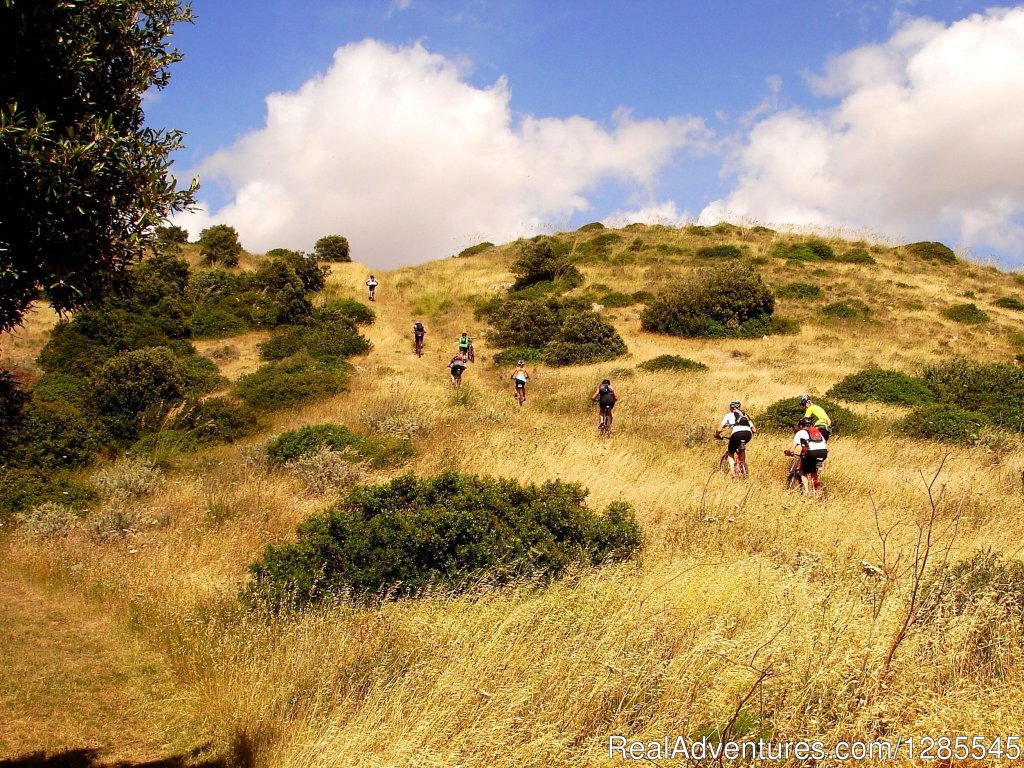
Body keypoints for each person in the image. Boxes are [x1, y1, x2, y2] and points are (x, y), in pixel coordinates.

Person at [785, 416, 828, 495]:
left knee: (802, 470)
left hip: (811, 453)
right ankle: (817, 489)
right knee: (813, 470)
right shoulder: (817, 432)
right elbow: (825, 445)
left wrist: (789, 452)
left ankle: (806, 492)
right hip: (823, 453)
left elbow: (792, 448)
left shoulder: (800, 432)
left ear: (801, 426)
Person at [714, 400, 755, 477]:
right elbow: (754, 430)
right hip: (748, 434)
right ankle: (742, 467)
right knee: (741, 449)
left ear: (731, 408)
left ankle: (732, 473)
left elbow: (719, 429)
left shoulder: (729, 415)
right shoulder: (744, 415)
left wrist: (717, 435)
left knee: (730, 452)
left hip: (736, 434)